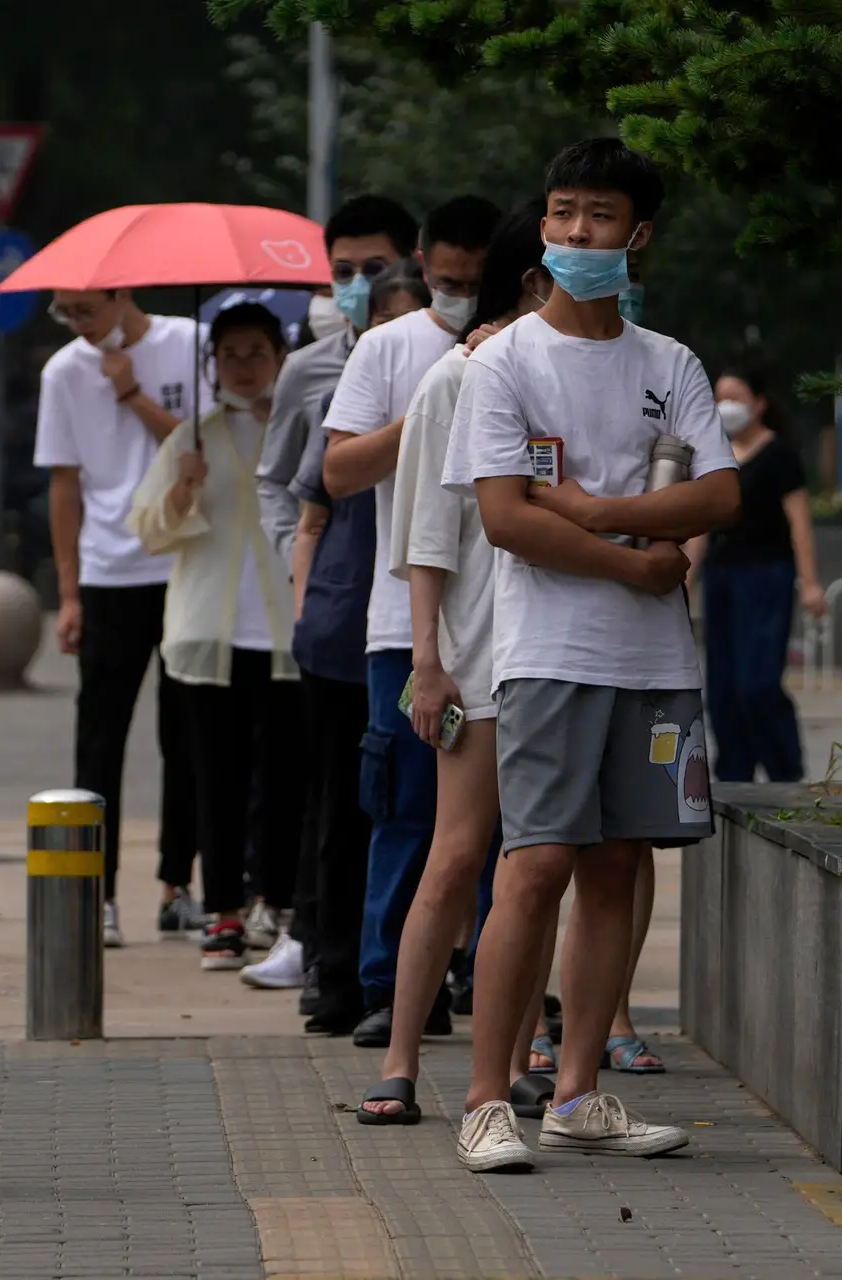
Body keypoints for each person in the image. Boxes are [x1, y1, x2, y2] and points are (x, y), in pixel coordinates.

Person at [442, 138, 739, 1172]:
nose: (576, 233)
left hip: (657, 664)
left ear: (637, 233)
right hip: (553, 650)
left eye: (599, 216)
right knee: (535, 864)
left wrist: (603, 510)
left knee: (615, 866)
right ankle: (488, 1099)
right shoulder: (504, 360)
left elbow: (721, 492)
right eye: (562, 212)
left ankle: (577, 1092)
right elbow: (506, 519)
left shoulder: (671, 364)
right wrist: (636, 562)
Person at [360, 199, 559, 1124]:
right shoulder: (455, 378)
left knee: (535, 863)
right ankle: (401, 1060)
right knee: (455, 855)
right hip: (473, 657)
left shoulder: (571, 369)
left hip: (554, 653)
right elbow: (426, 538)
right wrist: (428, 662)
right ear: (529, 281)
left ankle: (518, 1053)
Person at [323, 195, 503, 1049]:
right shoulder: (388, 349)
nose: (463, 292)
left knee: (506, 825)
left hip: (507, 627)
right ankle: (391, 983)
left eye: (479, 280)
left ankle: (502, 979)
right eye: (450, 278)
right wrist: (432, 411)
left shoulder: (524, 351)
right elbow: (338, 471)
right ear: (423, 263)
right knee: (405, 807)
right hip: (404, 628)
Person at [250, 195, 420, 996]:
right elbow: (283, 485)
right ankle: (327, 954)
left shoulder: (444, 353)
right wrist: (304, 580)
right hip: (338, 613)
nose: (358, 284)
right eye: (343, 271)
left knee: (409, 798)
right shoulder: (312, 367)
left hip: (420, 613)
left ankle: (423, 959)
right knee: (332, 792)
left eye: (375, 268)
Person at [128, 304, 299, 970]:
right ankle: (222, 909)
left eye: (257, 352)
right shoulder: (191, 438)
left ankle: (275, 900)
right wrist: (181, 489)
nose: (244, 366)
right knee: (215, 778)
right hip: (209, 637)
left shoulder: (300, 426)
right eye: (230, 354)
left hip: (288, 633)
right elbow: (147, 531)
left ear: (280, 357)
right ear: (214, 362)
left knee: (284, 777)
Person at [34, 283, 203, 947]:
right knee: (100, 735)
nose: (77, 325)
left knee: (185, 732)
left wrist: (132, 393)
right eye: (65, 313)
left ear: (120, 293)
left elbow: (201, 451)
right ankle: (95, 892)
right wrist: (70, 592)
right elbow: (63, 483)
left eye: (87, 310)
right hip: (109, 570)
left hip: (186, 562)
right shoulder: (63, 371)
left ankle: (177, 885)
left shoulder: (186, 346)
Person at [688, 366, 825, 782]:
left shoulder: (779, 454)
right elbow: (702, 528)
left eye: (734, 396)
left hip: (767, 577)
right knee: (723, 689)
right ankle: (733, 775)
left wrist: (811, 582)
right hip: (722, 580)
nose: (724, 406)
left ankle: (786, 772)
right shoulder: (714, 456)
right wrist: (686, 579)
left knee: (758, 684)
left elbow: (799, 522)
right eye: (718, 397)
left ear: (759, 403)